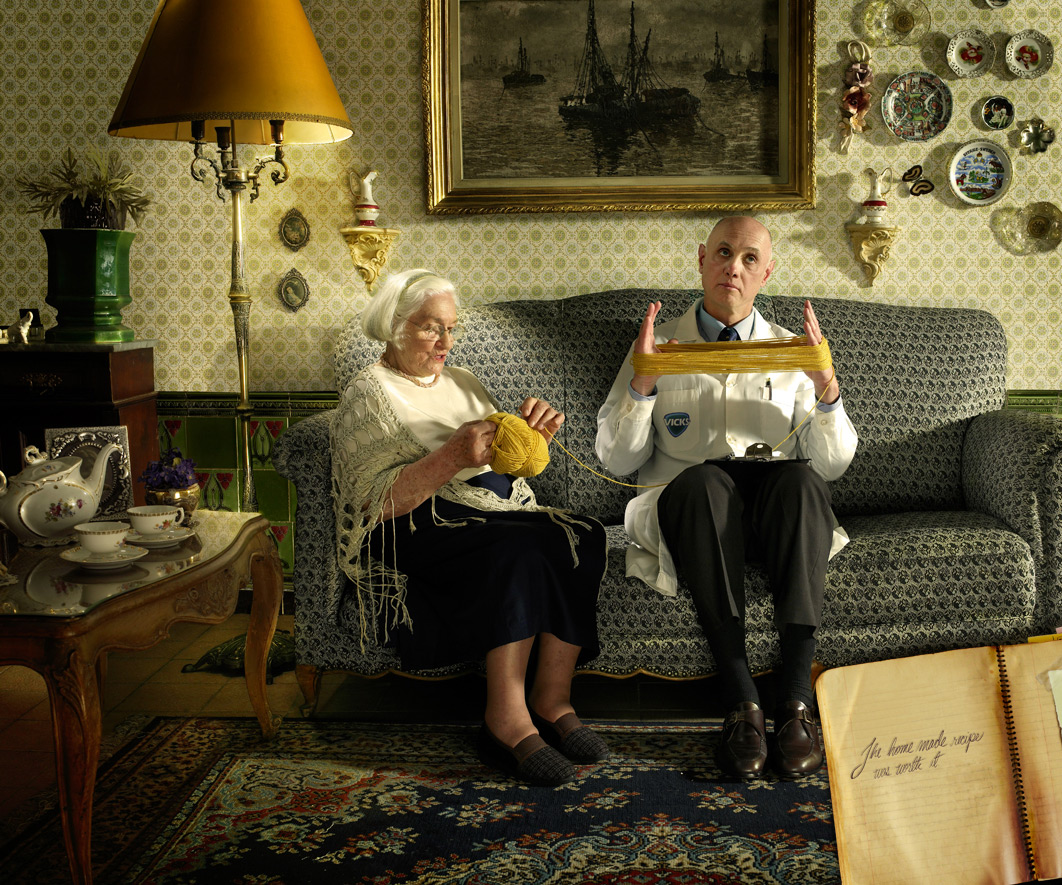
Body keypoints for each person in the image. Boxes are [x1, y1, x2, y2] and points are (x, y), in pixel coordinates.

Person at [595, 217, 858, 780]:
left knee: (803, 481)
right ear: (701, 259)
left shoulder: (792, 351)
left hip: (774, 518)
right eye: (722, 253)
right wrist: (644, 381)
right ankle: (741, 703)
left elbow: (833, 465)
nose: (732, 267)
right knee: (705, 482)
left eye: (748, 258)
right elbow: (616, 459)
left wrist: (825, 385)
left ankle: (795, 702)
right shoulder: (660, 346)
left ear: (767, 272)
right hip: (693, 513)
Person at [331, 268, 610, 786]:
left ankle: (552, 700)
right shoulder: (369, 392)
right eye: (430, 328)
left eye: (451, 329)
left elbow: (499, 465)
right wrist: (451, 456)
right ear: (394, 325)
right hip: (414, 527)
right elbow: (370, 504)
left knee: (583, 535)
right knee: (519, 547)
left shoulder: (463, 381)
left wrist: (531, 440)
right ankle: (505, 720)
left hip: (485, 514)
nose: (445, 342)